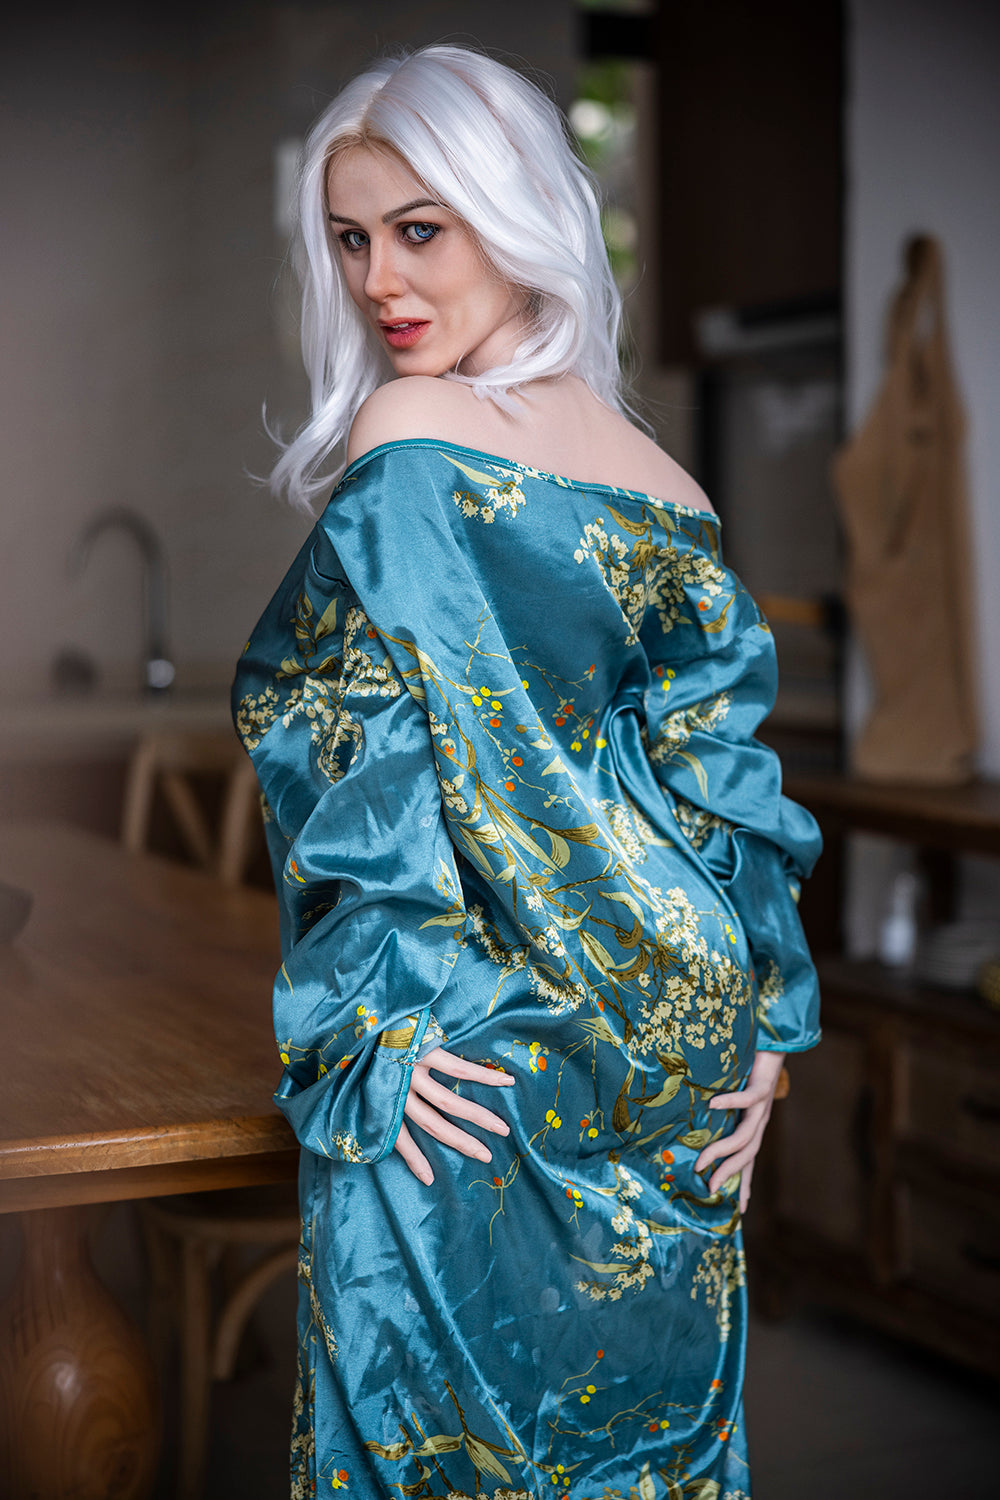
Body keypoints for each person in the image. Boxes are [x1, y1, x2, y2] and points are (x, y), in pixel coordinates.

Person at [233, 42, 822, 1500]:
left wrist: (372, 1020)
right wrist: (767, 1012)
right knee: (647, 1459)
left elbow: (349, 745)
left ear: (515, 215)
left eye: (419, 229)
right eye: (352, 238)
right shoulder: (668, 485)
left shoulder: (412, 435)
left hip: (478, 1048)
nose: (379, 280)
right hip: (681, 1042)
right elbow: (722, 776)